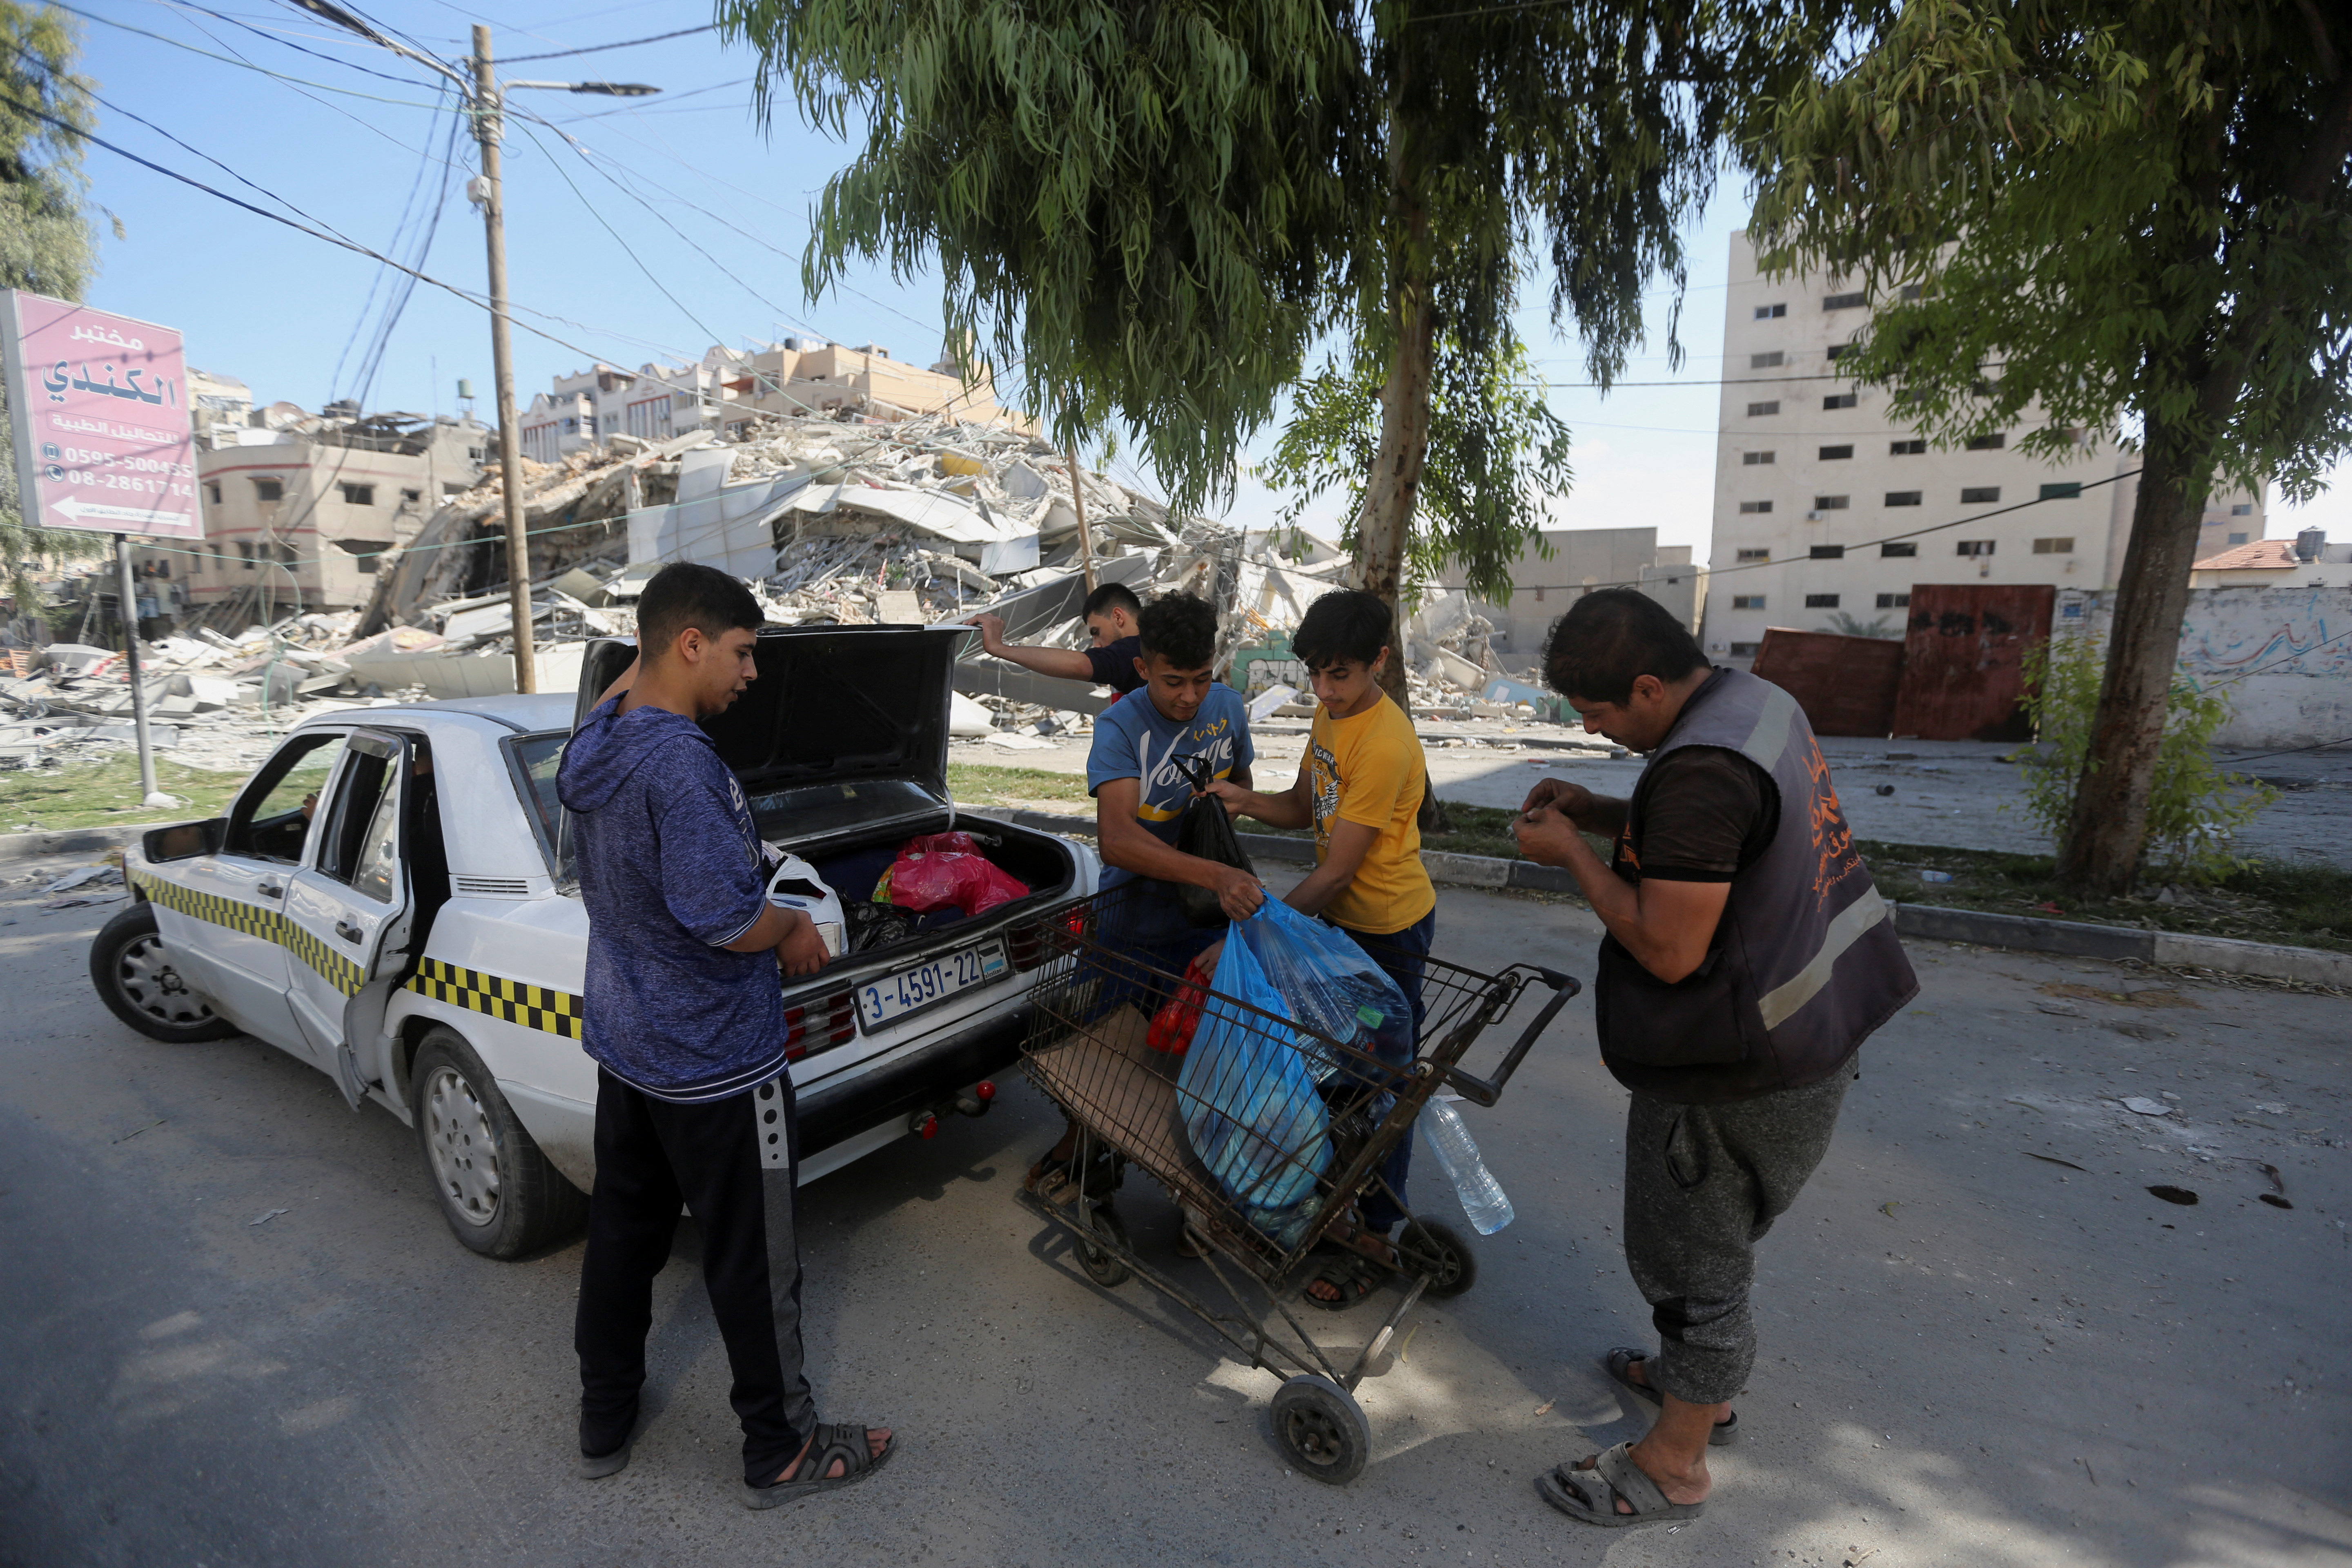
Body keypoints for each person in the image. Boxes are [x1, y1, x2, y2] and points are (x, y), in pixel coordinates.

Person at [1508, 588, 1916, 1530]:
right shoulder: (1751, 703)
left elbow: (1667, 946)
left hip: (1740, 1064)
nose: (1595, 730)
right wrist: (1602, 812)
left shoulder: (1696, 769)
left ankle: (1675, 1458)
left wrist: (1571, 850)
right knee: (1708, 1242)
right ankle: (1691, 1383)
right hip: (1819, 1028)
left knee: (1694, 1257)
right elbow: (1711, 846)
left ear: (1649, 685)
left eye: (1600, 713)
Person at [557, 561, 894, 1509]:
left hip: (630, 1047)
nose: (752, 673)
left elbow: (633, 674)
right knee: (753, 1259)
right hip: (714, 1061)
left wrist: (643, 650)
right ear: (689, 643)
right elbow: (716, 913)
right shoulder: (679, 763)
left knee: (622, 1239)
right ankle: (779, 1447)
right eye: (742, 652)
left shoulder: (598, 737)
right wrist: (788, 926)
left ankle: (604, 1416)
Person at [1204, 589, 1437, 1306]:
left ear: (1380, 662)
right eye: (1315, 673)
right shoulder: (1328, 717)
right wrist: (1244, 801)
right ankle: (1318, 1203)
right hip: (1342, 926)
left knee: (1381, 1089)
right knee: (1325, 1077)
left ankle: (1374, 1234)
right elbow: (1304, 805)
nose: (1326, 689)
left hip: (1387, 931)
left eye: (1341, 674)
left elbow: (1337, 873)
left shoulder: (1387, 742)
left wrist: (1251, 926)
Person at [1024, 591, 1263, 1200]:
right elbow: (1119, 840)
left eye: (1202, 680)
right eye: (1174, 681)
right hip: (1132, 914)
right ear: (1142, 669)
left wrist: (1220, 824)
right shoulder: (1122, 724)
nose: (1189, 697)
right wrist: (1213, 875)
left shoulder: (1228, 709)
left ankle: (1199, 1188)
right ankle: (1085, 1151)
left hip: (1207, 919)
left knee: (1205, 1056)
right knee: (1103, 1049)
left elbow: (1242, 781)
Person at [964, 581, 1147, 695]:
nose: (1097, 645)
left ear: (1118, 617)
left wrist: (1000, 648)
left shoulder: (1134, 650)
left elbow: (1082, 665)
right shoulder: (1146, 650)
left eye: (1096, 632)